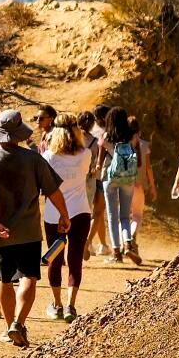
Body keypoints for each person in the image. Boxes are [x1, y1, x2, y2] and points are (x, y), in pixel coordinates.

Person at [0, 109, 70, 348]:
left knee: (4, 281)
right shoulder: (34, 159)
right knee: (29, 276)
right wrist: (64, 214)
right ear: (19, 132)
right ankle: (19, 322)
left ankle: (10, 328)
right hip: (28, 231)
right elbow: (53, 191)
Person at [41, 114, 92, 322]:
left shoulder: (49, 157)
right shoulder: (86, 154)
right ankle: (71, 305)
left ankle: (57, 304)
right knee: (75, 259)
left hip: (55, 214)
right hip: (80, 211)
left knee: (55, 259)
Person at [94, 106, 143, 265]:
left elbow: (99, 162)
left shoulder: (106, 136)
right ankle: (127, 243)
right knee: (124, 216)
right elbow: (139, 161)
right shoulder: (132, 137)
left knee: (112, 216)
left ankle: (116, 253)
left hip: (110, 177)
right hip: (128, 178)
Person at [125, 114, 158, 261]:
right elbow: (149, 168)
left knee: (124, 217)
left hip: (122, 185)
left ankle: (127, 244)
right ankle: (132, 238)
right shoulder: (144, 145)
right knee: (137, 216)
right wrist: (152, 186)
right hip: (138, 186)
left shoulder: (120, 144)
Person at [76, 110, 105, 260]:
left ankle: (75, 242)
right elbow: (96, 163)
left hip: (74, 179)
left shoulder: (72, 138)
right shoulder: (95, 141)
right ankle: (84, 242)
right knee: (86, 212)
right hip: (89, 179)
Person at [85, 104, 112, 259]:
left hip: (88, 177)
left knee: (96, 212)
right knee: (99, 211)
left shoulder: (91, 132)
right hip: (101, 176)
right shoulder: (106, 133)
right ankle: (87, 243)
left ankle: (102, 244)